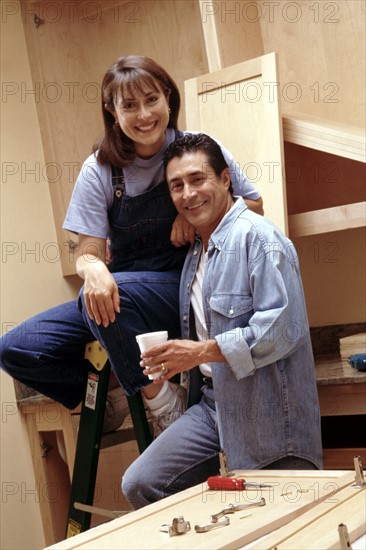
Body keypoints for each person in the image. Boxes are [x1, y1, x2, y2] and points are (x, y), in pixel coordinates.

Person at [0, 56, 263, 436]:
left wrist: (192, 212)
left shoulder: (196, 150)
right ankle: (118, 396)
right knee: (18, 348)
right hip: (123, 297)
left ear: (168, 99)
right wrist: (93, 271)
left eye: (151, 100)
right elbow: (87, 252)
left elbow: (255, 205)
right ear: (112, 111)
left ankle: (161, 403)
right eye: (129, 105)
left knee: (108, 297)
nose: (143, 115)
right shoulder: (100, 170)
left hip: (184, 287)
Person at [121, 133, 323, 509]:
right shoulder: (197, 252)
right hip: (213, 408)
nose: (188, 194)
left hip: (269, 414)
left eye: (198, 179)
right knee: (141, 483)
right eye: (176, 186)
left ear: (226, 179)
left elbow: (282, 329)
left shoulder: (261, 240)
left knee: (276, 529)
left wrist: (199, 352)